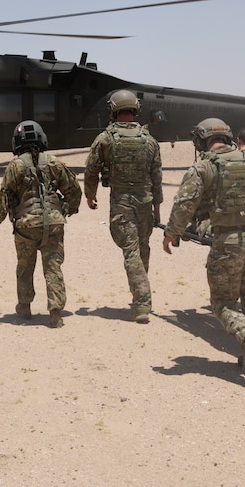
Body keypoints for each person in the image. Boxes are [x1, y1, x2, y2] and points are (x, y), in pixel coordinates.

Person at [162, 118, 245, 378]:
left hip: (227, 241)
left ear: (201, 141)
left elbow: (184, 204)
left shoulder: (202, 167)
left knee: (222, 303)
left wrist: (171, 233)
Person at [0, 120, 82, 328]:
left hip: (26, 226)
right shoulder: (54, 162)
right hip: (54, 224)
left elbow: (4, 198)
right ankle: (55, 311)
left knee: (25, 267)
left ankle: (24, 307)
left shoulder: (16, 166)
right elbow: (73, 190)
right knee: (53, 267)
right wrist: (69, 208)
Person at [84, 89, 163, 323]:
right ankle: (141, 293)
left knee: (131, 251)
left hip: (121, 203)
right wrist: (157, 208)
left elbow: (91, 170)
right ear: (134, 109)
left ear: (113, 109)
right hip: (145, 203)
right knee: (142, 248)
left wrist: (90, 195)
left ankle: (141, 303)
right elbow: (156, 177)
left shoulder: (105, 139)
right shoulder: (149, 140)